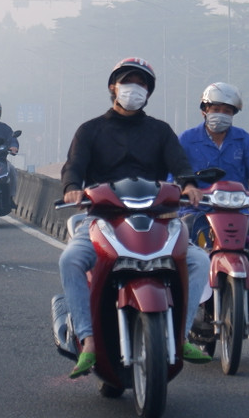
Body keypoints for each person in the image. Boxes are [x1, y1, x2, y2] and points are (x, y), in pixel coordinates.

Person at [60, 57, 212, 379]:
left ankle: (182, 335)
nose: (135, 89)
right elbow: (73, 167)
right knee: (71, 260)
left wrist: (189, 185)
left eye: (142, 84)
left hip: (158, 220)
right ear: (113, 87)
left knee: (198, 261)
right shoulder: (90, 130)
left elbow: (181, 164)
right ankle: (87, 340)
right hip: (103, 220)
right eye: (128, 82)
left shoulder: (160, 131)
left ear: (149, 92)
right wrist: (73, 188)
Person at [177, 82, 249, 327]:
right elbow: (172, 172)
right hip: (196, 211)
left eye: (227, 111)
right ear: (204, 110)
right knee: (182, 250)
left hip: (237, 213)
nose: (221, 114)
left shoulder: (244, 140)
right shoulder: (187, 139)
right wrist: (178, 191)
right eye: (215, 108)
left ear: (234, 114)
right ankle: (187, 308)